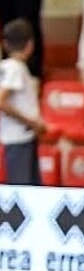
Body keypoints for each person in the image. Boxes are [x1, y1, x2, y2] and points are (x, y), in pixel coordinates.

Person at [0, 19, 43, 186]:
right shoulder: (15, 69)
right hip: (19, 138)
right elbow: (2, 101)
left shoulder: (5, 67)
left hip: (22, 138)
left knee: (32, 186)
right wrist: (32, 122)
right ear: (30, 45)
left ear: (5, 44)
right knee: (22, 190)